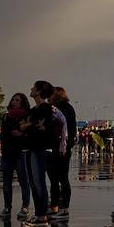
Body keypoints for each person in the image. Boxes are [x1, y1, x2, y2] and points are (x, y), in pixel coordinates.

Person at [22, 80, 65, 224]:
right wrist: (28, 125)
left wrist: (28, 125)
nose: (31, 89)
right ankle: (40, 214)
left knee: (39, 182)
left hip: (41, 148)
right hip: (31, 147)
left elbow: (31, 125)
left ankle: (41, 216)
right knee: (33, 182)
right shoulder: (34, 109)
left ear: (39, 91)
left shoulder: (46, 107)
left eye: (34, 88)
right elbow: (25, 124)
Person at [0, 93, 33, 217]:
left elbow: (28, 133)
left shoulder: (27, 116)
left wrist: (21, 134)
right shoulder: (6, 116)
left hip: (21, 152)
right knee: (6, 182)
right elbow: (5, 134)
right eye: (13, 99)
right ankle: (7, 207)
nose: (14, 102)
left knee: (23, 181)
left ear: (23, 102)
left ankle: (25, 207)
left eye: (17, 100)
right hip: (8, 152)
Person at [50, 87, 77, 217]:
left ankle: (63, 208)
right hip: (58, 146)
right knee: (55, 179)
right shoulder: (64, 107)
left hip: (62, 147)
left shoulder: (64, 108)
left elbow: (68, 129)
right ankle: (56, 207)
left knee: (61, 178)